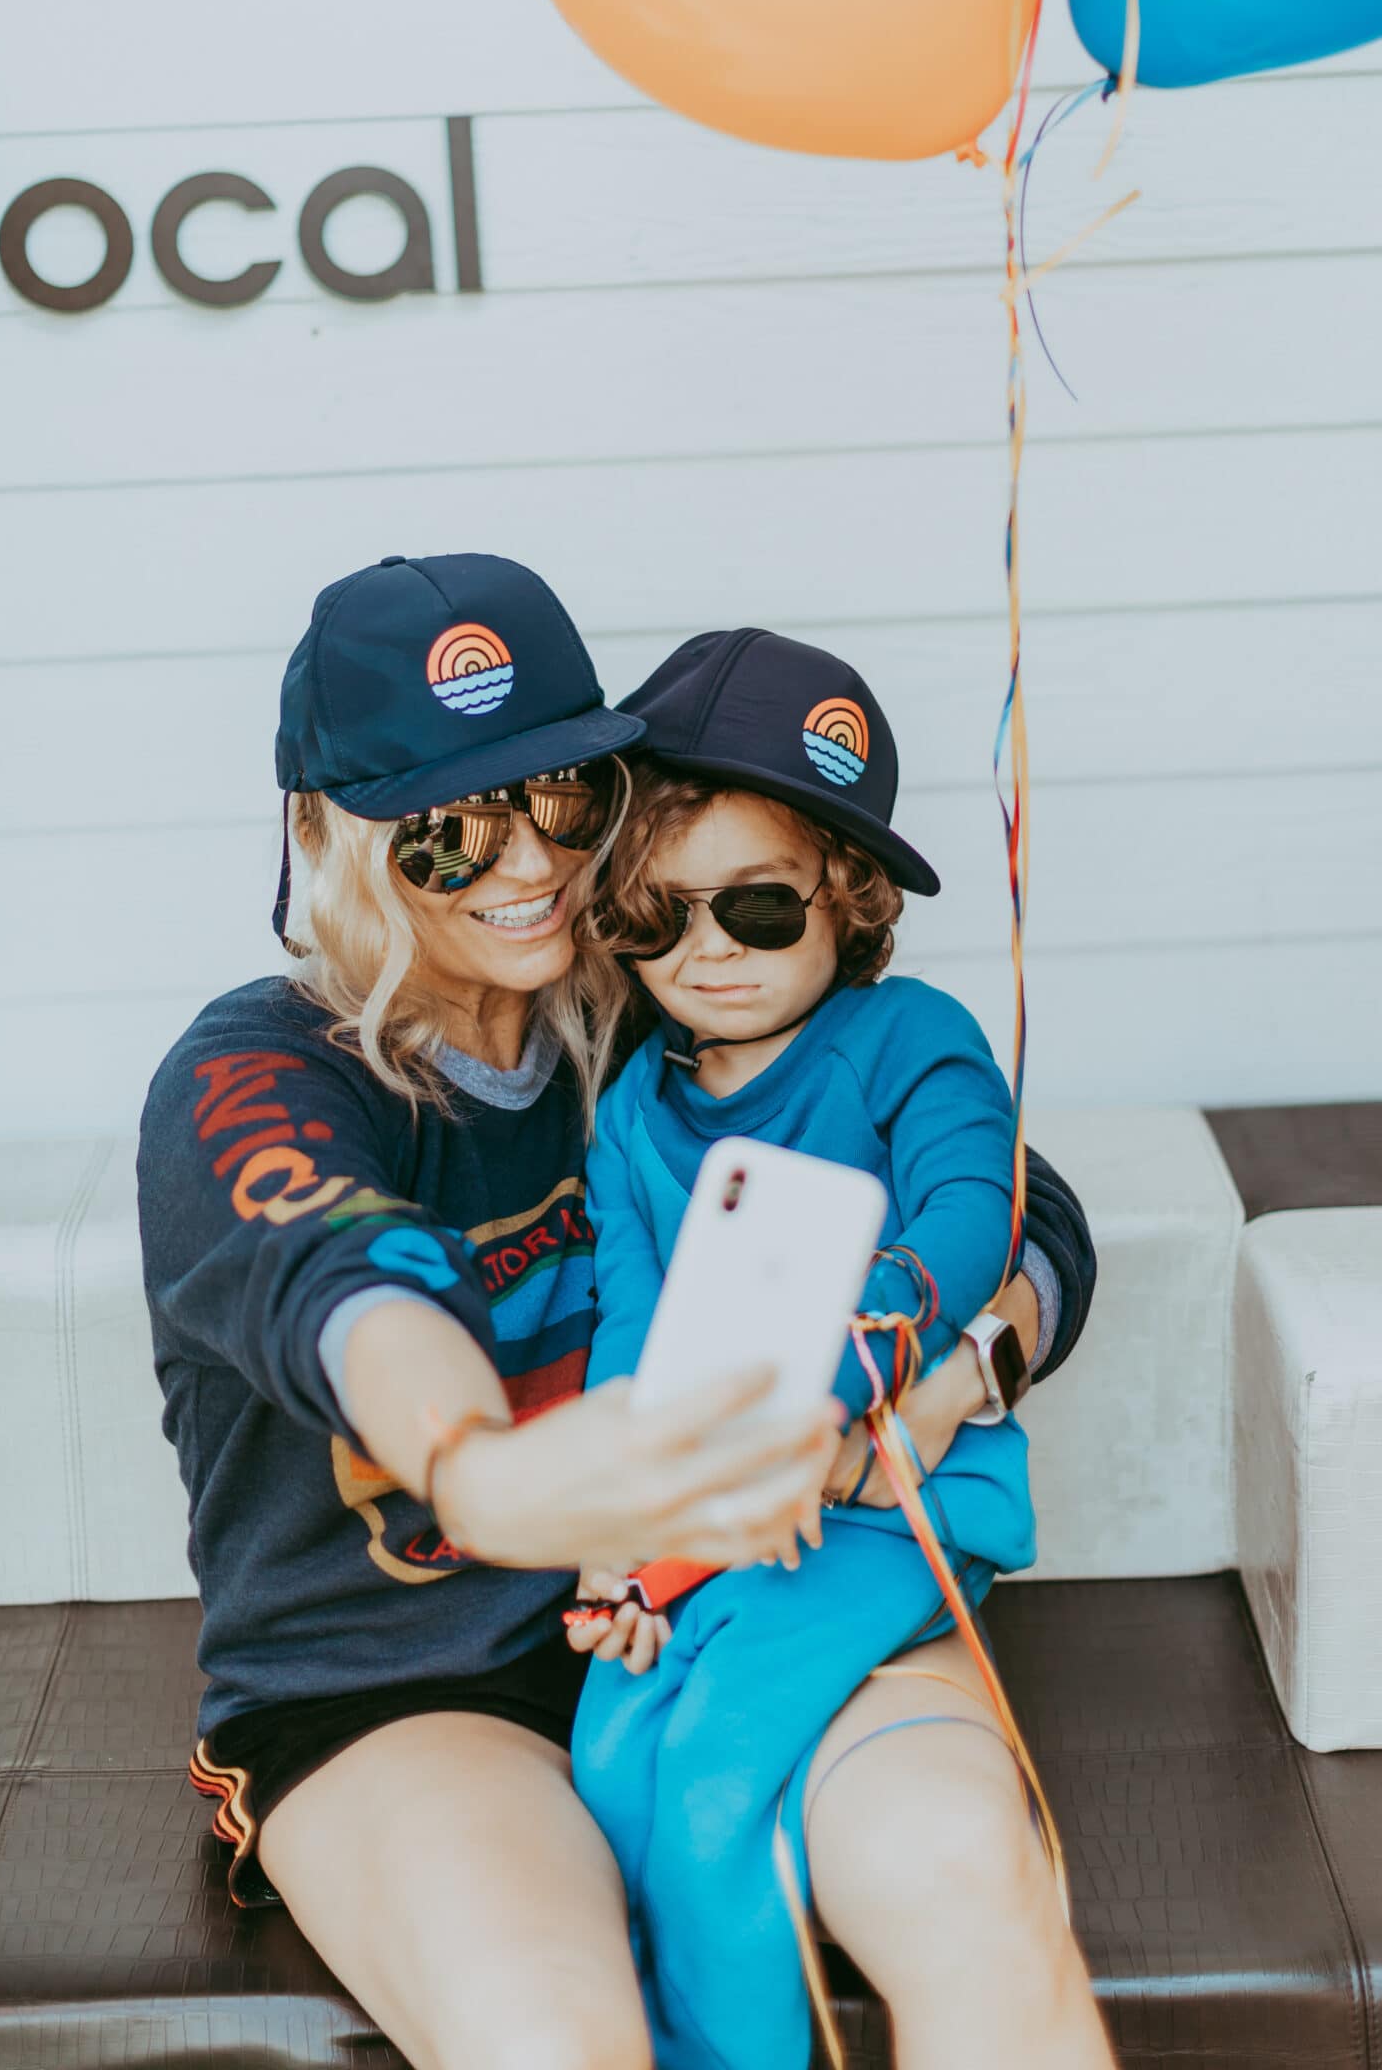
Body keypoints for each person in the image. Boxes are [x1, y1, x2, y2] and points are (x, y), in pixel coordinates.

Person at [137, 551, 1103, 2070]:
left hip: (730, 1602)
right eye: (449, 830)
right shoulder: (262, 1074)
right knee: (558, 2039)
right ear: (324, 836)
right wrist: (484, 1466)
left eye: (560, 800)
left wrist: (958, 1372)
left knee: (971, 1891)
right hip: (411, 1694)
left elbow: (1016, 1202)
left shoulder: (649, 1002)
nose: (525, 864)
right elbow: (343, 1279)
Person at [562, 627, 1107, 2070]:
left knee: (714, 1777)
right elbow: (633, 1337)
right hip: (720, 1517)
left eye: (754, 911)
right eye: (656, 918)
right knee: (612, 1755)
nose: (704, 957)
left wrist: (861, 1356)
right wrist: (619, 1532)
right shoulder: (630, 1117)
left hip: (879, 1500)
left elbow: (971, 1208)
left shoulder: (904, 1039)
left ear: (847, 898)